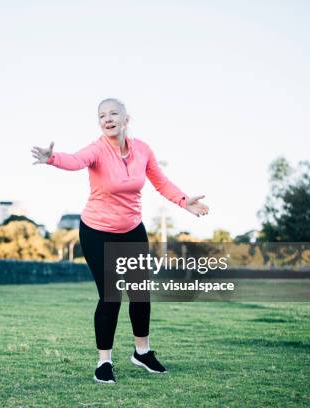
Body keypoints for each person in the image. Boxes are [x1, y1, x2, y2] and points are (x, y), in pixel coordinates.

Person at [31, 98, 209, 384]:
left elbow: (160, 182)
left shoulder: (143, 150)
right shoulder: (97, 150)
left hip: (131, 229)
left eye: (114, 113)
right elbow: (76, 161)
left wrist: (185, 201)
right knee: (111, 294)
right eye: (102, 115)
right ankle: (104, 362)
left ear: (127, 119)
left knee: (140, 292)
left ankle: (142, 352)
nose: (108, 118)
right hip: (96, 231)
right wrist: (52, 158)